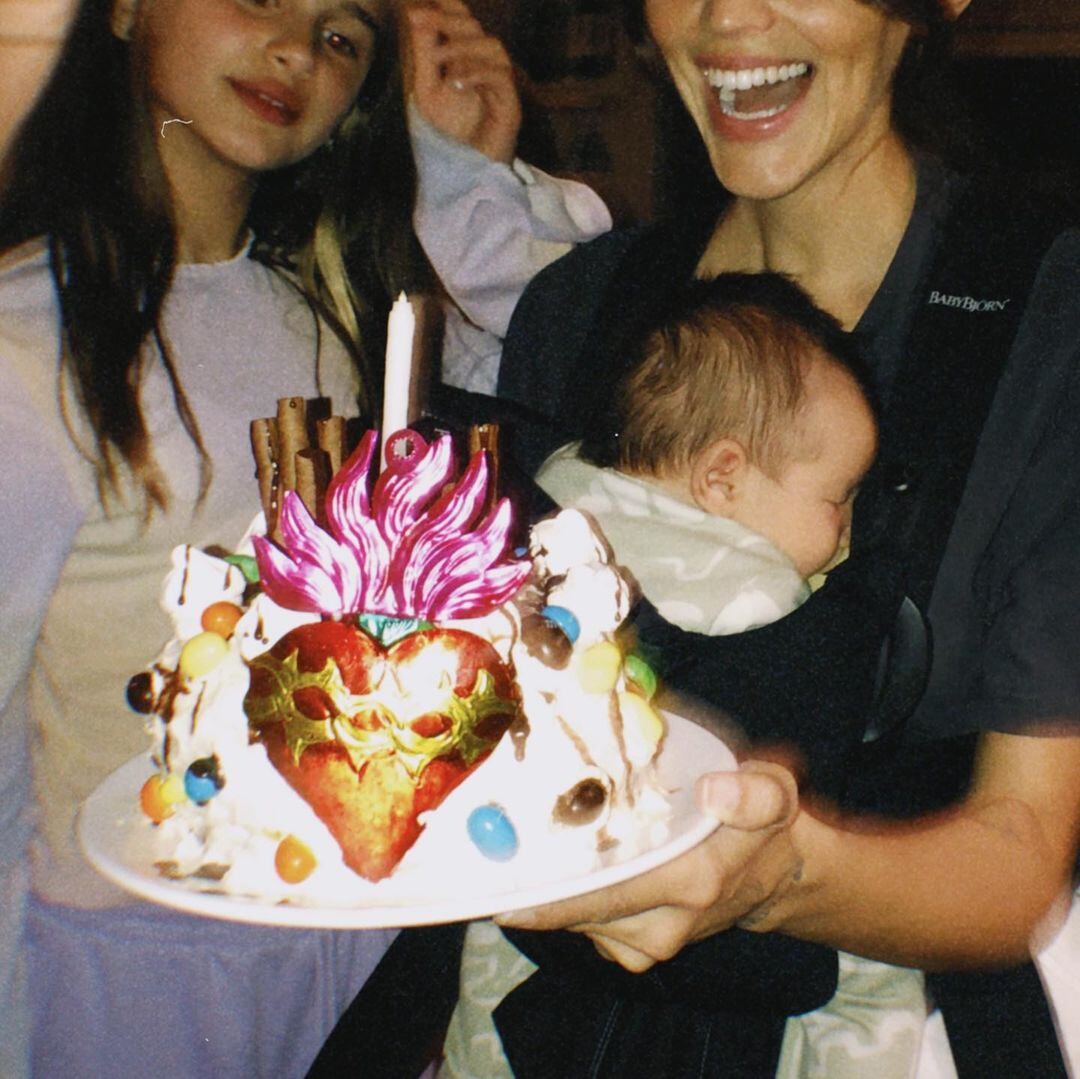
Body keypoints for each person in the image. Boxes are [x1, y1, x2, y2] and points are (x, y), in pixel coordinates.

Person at [313, 0, 1080, 1075]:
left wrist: (781, 874)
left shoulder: (1048, 318)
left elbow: (1021, 860)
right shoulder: (581, 305)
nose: (729, 17)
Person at [0, 1, 607, 1077]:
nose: (295, 48)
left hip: (349, 917)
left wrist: (472, 167)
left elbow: (568, 340)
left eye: (341, 37)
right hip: (143, 960)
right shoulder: (23, 349)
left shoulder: (334, 299)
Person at [536, 272, 877, 631]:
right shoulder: (764, 595)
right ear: (722, 481)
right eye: (841, 496)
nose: (851, 523)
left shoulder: (564, 468)